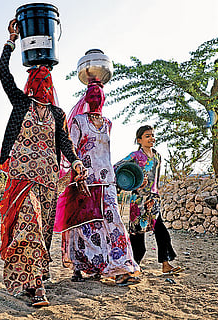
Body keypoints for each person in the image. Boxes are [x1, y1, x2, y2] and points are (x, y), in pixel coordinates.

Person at [0, 19, 89, 307]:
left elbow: (65, 143)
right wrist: (11, 42)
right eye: (37, 78)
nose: (42, 83)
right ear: (29, 83)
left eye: (45, 78)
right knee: (29, 227)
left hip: (48, 180)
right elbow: (3, 74)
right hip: (22, 180)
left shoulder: (58, 114)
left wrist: (75, 162)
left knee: (42, 231)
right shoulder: (21, 104)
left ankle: (31, 279)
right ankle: (36, 287)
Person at [56, 81, 140, 286]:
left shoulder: (108, 123)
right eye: (91, 94)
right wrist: (77, 175)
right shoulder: (78, 121)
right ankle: (80, 264)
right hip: (85, 179)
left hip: (107, 180)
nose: (95, 98)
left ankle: (122, 266)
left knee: (114, 222)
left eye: (99, 95)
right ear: (86, 98)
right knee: (83, 224)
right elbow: (71, 149)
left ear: (103, 99)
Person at [115, 125, 182, 275]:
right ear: (139, 140)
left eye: (152, 135)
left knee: (161, 231)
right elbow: (117, 167)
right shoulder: (135, 156)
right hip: (138, 200)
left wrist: (156, 194)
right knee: (138, 235)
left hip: (153, 199)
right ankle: (132, 266)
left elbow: (156, 178)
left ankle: (166, 264)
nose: (151, 138)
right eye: (147, 136)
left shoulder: (157, 156)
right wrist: (130, 182)